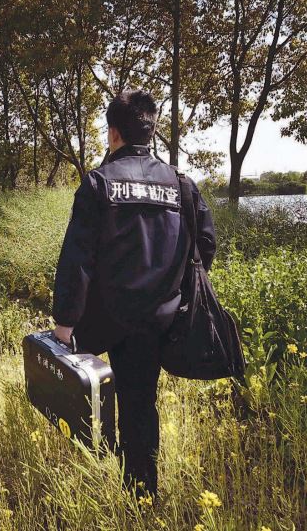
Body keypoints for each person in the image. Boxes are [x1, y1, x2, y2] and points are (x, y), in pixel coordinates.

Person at [50, 89, 216, 498]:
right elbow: (206, 245)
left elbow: (78, 258)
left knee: (99, 398)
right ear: (150, 129)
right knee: (140, 402)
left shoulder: (98, 183)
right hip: (160, 318)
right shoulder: (181, 183)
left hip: (108, 318)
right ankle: (140, 485)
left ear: (113, 133)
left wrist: (65, 322)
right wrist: (175, 293)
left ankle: (130, 485)